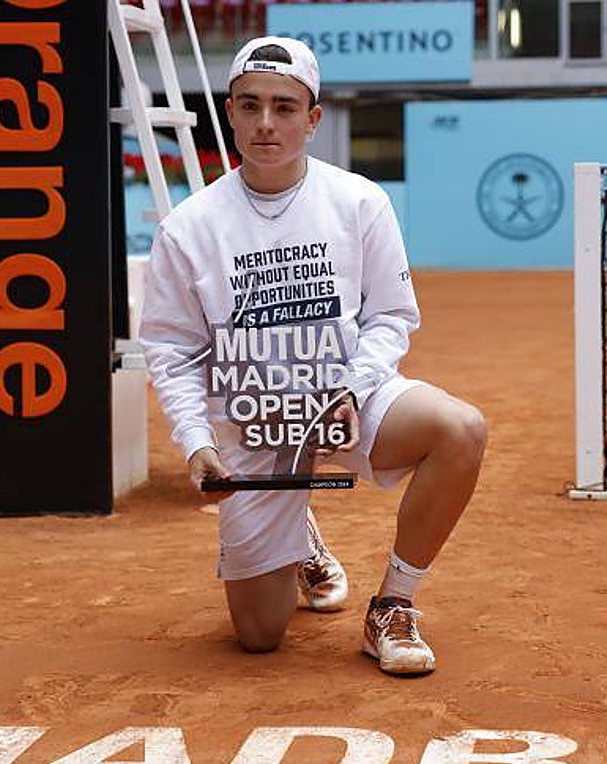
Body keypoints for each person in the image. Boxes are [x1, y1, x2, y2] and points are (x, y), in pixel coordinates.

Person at [140, 36, 486, 676]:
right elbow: (173, 350)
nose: (266, 123)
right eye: (249, 106)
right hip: (255, 421)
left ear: (313, 117)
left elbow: (390, 316)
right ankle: (298, 537)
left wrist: (350, 388)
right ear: (230, 112)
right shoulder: (187, 229)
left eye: (284, 106)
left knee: (459, 428)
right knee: (260, 637)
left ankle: (394, 604)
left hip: (348, 396)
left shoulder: (359, 202)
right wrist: (197, 443)